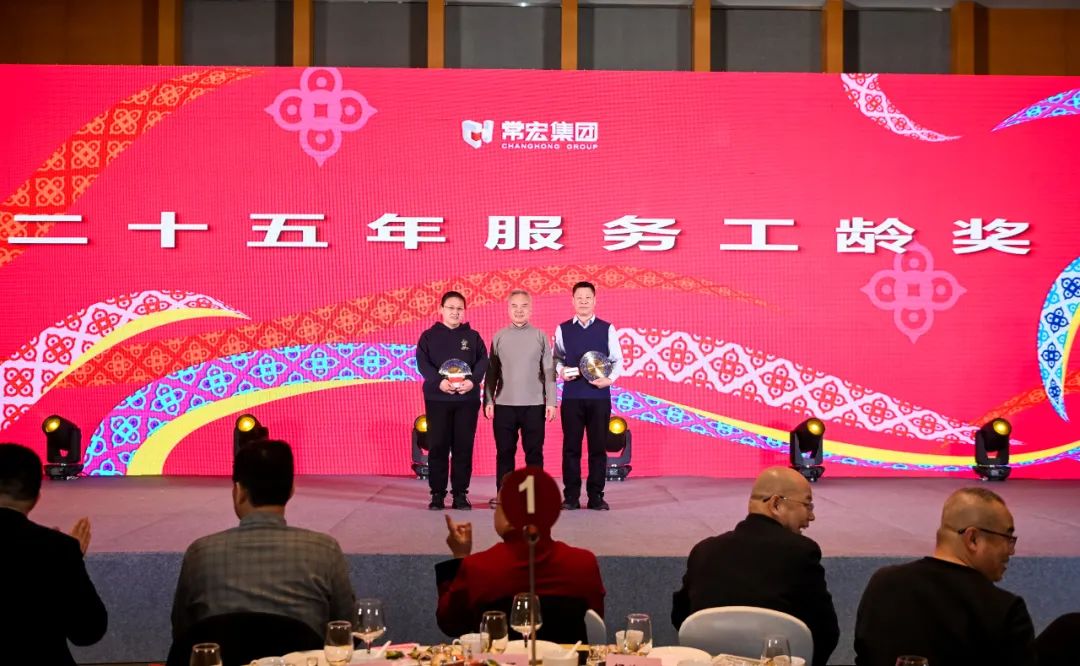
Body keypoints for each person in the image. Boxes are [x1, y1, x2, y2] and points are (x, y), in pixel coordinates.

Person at [171, 439, 355, 640]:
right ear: (291, 490)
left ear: (239, 491)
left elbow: (183, 634)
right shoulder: (324, 550)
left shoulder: (200, 554)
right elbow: (347, 631)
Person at [671, 466, 838, 666]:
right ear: (776, 504)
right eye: (807, 505)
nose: (811, 516)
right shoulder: (801, 552)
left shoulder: (704, 551)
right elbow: (825, 632)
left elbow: (681, 618)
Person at [854, 487, 1036, 666]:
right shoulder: (1005, 610)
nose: (1011, 550)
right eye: (1007, 538)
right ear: (973, 539)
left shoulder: (882, 583)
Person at [435, 468, 605, 638]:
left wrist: (460, 559)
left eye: (496, 505)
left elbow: (450, 623)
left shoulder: (477, 568)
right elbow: (595, 627)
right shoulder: (584, 564)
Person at [0, 443, 107, 666]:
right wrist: (67, 559)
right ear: (36, 497)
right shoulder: (58, 549)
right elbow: (87, 631)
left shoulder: (58, 549)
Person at [416, 290, 489, 510]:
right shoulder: (429, 336)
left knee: (463, 447)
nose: (455, 312)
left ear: (464, 311)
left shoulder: (473, 337)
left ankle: (460, 494)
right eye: (451, 308)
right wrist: (439, 382)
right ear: (441, 309)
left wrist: (473, 381)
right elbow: (422, 363)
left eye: (459, 309)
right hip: (437, 398)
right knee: (437, 446)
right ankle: (437, 494)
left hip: (467, 400)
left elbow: (483, 361)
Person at [554, 281, 623, 510]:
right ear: (573, 301)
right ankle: (571, 497)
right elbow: (557, 357)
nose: (583, 301)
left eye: (588, 298)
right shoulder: (563, 329)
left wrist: (609, 380)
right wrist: (561, 371)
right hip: (572, 397)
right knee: (571, 448)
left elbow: (617, 359)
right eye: (579, 298)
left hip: (599, 397)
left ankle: (596, 496)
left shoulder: (607, 328)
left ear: (595, 300)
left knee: (597, 449)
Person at [485, 290, 556, 491]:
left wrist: (551, 402)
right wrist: (488, 400)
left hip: (534, 405)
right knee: (504, 453)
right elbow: (492, 372)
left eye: (524, 306)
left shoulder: (540, 336)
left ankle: (534, 496)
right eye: (514, 306)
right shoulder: (499, 336)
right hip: (504, 405)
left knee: (534, 454)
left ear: (530, 309)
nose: (519, 310)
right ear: (508, 309)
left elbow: (549, 371)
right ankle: (504, 494)